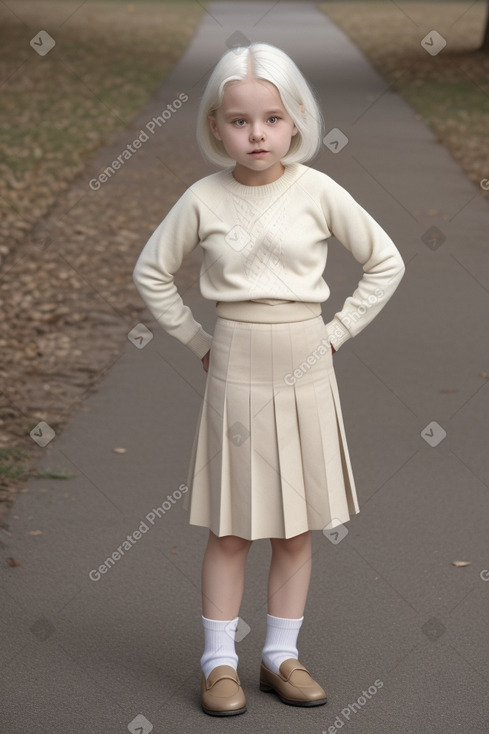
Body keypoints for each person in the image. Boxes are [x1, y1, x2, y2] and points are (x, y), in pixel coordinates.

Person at [133, 42, 405, 717]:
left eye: (271, 118)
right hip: (235, 363)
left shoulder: (317, 190)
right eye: (238, 120)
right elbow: (150, 272)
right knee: (230, 528)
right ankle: (217, 664)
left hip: (306, 363)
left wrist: (335, 333)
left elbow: (386, 262)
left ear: (295, 121)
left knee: (295, 528)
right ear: (215, 126)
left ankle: (280, 656)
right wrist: (198, 341)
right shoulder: (203, 197)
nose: (256, 133)